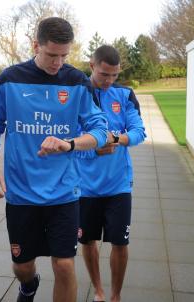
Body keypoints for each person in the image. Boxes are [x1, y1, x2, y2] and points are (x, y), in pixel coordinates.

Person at [0, 17, 112, 302]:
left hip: (64, 193)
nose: (58, 63)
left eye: (64, 55)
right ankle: (28, 285)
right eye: (52, 55)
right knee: (22, 266)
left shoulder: (77, 82)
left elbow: (101, 132)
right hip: (21, 194)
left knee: (65, 264)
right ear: (35, 46)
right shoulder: (10, 79)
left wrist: (69, 144)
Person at [76, 45, 146, 302]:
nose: (109, 80)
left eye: (114, 75)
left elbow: (139, 132)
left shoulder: (125, 95)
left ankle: (115, 295)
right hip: (85, 186)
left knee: (120, 243)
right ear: (92, 65)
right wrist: (94, 150)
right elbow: (71, 144)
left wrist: (116, 138)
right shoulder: (77, 94)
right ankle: (99, 291)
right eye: (104, 74)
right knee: (88, 242)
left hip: (119, 186)